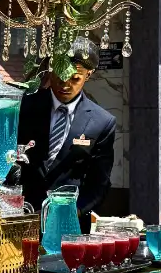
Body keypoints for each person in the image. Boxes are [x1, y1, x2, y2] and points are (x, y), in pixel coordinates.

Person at [13, 44, 115, 228]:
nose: (65, 84)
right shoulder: (23, 107)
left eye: (75, 78)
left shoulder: (102, 122)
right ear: (50, 70)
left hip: (70, 224)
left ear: (88, 74)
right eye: (59, 75)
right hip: (21, 218)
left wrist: (74, 212)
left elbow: (99, 183)